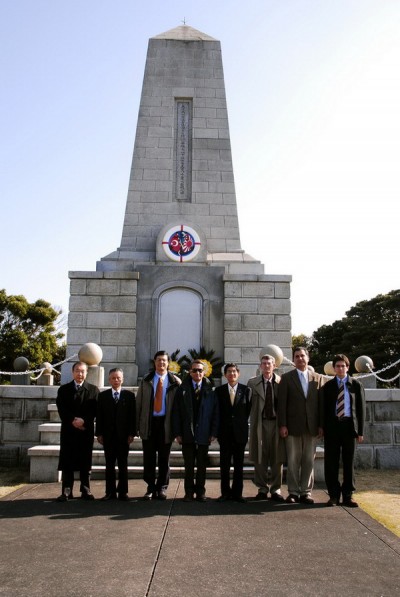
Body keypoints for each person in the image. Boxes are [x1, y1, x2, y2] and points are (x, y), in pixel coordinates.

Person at [278, 347, 323, 504]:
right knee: (293, 460)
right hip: (292, 426)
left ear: (308, 358)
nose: (300, 359)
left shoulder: (317, 379)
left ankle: (306, 492)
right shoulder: (287, 378)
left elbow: (321, 405)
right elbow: (282, 404)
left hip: (311, 427)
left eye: (302, 356)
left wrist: (321, 425)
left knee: (309, 461)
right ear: (293, 360)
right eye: (296, 356)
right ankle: (293, 492)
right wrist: (283, 425)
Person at [136, 351, 181, 500]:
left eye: (164, 361)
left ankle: (161, 487)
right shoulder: (146, 380)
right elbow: (139, 404)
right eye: (158, 360)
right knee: (148, 458)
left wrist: (177, 429)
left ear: (168, 363)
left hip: (165, 424)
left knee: (164, 458)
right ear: (154, 362)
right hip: (149, 422)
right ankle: (150, 487)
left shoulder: (175, 382)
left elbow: (179, 408)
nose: (161, 363)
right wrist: (137, 425)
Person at [322, 354, 366, 507]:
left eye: (343, 366)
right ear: (334, 368)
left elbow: (361, 409)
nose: (340, 368)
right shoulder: (327, 387)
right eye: (338, 366)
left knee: (349, 462)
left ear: (348, 367)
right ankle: (333, 495)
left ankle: (348, 495)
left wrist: (360, 431)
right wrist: (322, 428)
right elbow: (324, 410)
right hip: (333, 428)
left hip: (349, 427)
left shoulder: (356, 385)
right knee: (331, 462)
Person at [172, 359, 219, 502]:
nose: (197, 373)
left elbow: (215, 413)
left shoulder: (211, 389)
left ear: (204, 372)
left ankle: (200, 492)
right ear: (190, 372)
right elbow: (176, 412)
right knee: (189, 465)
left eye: (200, 370)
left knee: (201, 465)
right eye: (195, 370)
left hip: (204, 432)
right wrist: (177, 433)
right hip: (187, 432)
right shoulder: (182, 389)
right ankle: (188, 492)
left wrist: (213, 432)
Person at [56, 361, 98, 501]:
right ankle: (67, 489)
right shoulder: (63, 390)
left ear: (86, 373)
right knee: (67, 459)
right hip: (69, 430)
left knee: (85, 460)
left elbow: (94, 410)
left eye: (83, 371)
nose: (80, 374)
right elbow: (62, 408)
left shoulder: (93, 390)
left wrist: (83, 421)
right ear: (73, 372)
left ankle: (85, 488)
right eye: (77, 371)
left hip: (85, 431)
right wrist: (73, 420)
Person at [247, 354, 285, 502]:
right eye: (263, 363)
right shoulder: (252, 383)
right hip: (260, 423)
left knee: (277, 457)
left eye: (269, 363)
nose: (266, 366)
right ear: (260, 366)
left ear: (274, 365)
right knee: (260, 457)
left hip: (276, 423)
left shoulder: (281, 382)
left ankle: (276, 489)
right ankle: (262, 488)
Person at [96, 367, 136, 501]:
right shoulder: (103, 396)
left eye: (118, 378)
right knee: (109, 465)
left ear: (122, 379)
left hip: (124, 437)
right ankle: (110, 492)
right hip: (108, 436)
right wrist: (99, 434)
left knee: (123, 465)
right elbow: (99, 416)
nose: (116, 380)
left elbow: (132, 417)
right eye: (113, 378)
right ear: (109, 380)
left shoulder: (129, 396)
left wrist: (132, 433)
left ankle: (123, 491)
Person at [215, 363, 251, 502]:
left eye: (234, 371)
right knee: (224, 465)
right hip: (224, 434)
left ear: (238, 373)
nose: (232, 374)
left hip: (239, 433)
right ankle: (225, 493)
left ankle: (237, 493)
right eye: (229, 372)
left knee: (238, 465)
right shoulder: (219, 391)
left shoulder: (246, 390)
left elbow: (247, 410)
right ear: (225, 375)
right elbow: (217, 412)